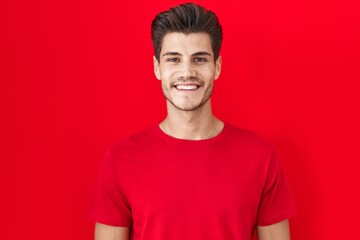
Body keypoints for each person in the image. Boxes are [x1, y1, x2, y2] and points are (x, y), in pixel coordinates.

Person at [88, 3, 296, 240]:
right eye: (173, 59)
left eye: (199, 59)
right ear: (157, 68)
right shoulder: (120, 161)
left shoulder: (261, 157)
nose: (186, 72)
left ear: (216, 67)